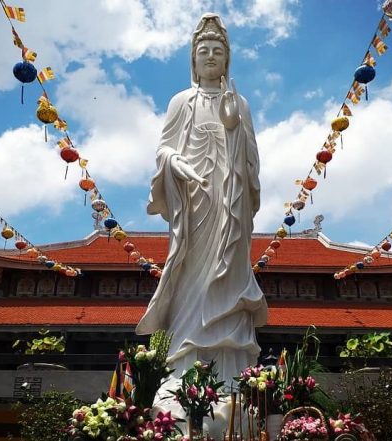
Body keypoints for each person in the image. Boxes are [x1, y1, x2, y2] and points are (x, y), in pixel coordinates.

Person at [135, 13, 268, 436]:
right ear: (193, 59)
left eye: (218, 51)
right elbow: (163, 149)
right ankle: (182, 373)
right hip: (194, 204)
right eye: (203, 51)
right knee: (193, 275)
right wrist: (176, 164)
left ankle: (234, 376)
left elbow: (251, 160)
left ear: (228, 60)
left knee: (228, 272)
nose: (210, 57)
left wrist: (233, 125)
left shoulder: (240, 103)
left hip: (231, 206)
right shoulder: (181, 101)